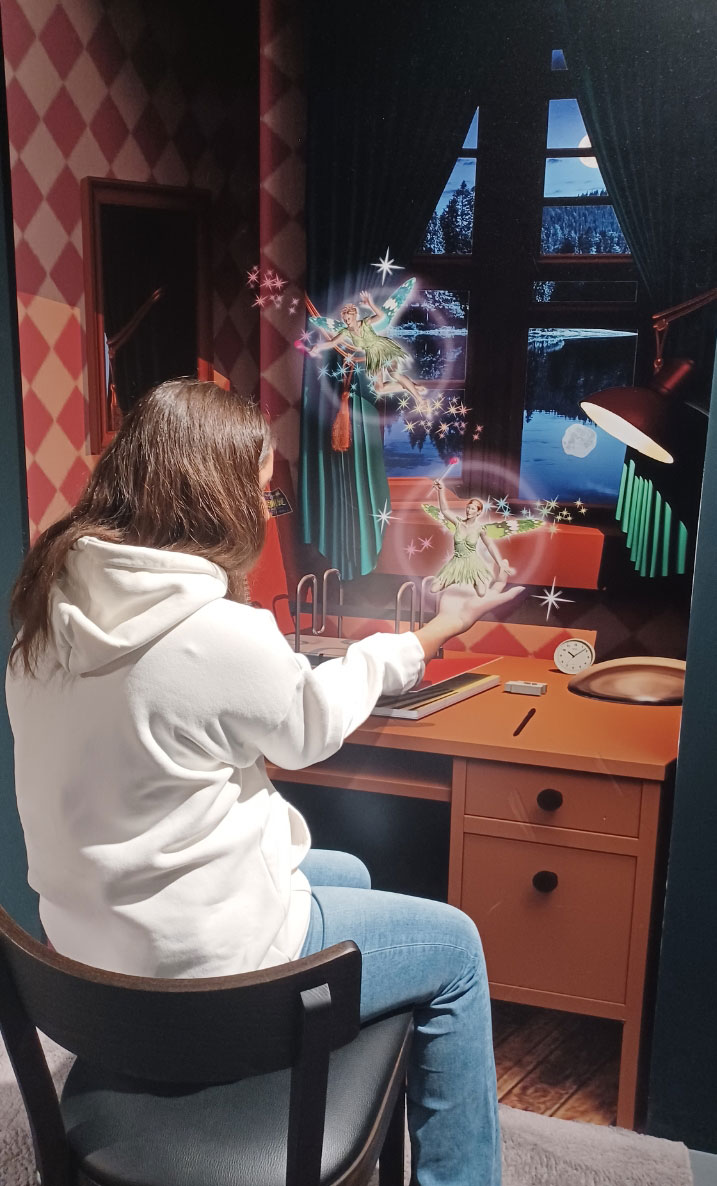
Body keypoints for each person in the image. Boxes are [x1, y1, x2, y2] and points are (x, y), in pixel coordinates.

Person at [6, 379, 512, 1186]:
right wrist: (433, 633)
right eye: (261, 489)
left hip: (93, 966)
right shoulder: (214, 633)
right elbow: (308, 729)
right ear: (215, 494)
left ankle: (307, 1062)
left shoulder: (45, 619)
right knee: (454, 946)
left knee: (346, 873)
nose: (265, 507)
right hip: (201, 978)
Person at [310, 291, 428, 403]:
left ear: (355, 316)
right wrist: (317, 347)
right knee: (379, 389)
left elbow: (381, 316)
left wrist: (370, 304)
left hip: (383, 348)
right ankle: (412, 386)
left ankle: (419, 399)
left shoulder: (365, 323)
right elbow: (332, 343)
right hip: (373, 357)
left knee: (394, 374)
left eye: (349, 319)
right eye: (345, 320)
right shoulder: (346, 332)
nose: (347, 322)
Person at [428, 479, 516, 597]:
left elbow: (490, 545)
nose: (469, 511)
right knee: (433, 589)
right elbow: (445, 510)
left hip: (473, 563)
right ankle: (454, 578)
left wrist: (500, 563)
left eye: (473, 509)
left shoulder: (480, 529)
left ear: (478, 512)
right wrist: (441, 490)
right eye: (468, 508)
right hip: (456, 562)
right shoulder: (458, 523)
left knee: (481, 592)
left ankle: (475, 580)